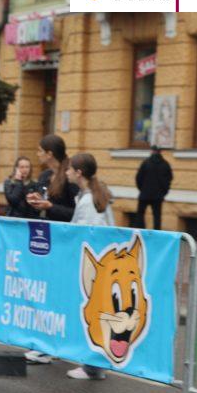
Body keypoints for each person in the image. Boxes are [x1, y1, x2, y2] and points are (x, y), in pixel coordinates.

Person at [24, 134, 79, 364]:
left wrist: (50, 206)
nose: (37, 154)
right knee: (47, 293)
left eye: (40, 150)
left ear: (50, 153)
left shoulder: (70, 177)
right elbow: (41, 205)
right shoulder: (45, 176)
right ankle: (46, 344)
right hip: (46, 241)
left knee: (60, 295)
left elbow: (75, 213)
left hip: (66, 242)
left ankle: (53, 346)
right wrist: (35, 202)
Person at [65, 152, 114, 380]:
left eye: (69, 169)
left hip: (95, 264)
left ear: (79, 172)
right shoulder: (91, 195)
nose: (66, 172)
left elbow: (87, 235)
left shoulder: (89, 200)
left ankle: (92, 366)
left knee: (93, 313)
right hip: (99, 263)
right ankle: (94, 365)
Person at [135, 145, 172, 230]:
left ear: (152, 151)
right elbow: (169, 179)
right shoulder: (165, 164)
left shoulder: (146, 163)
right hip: (158, 195)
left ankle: (141, 231)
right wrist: (164, 192)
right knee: (157, 216)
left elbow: (138, 178)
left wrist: (142, 189)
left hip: (145, 194)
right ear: (160, 152)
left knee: (140, 214)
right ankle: (156, 233)